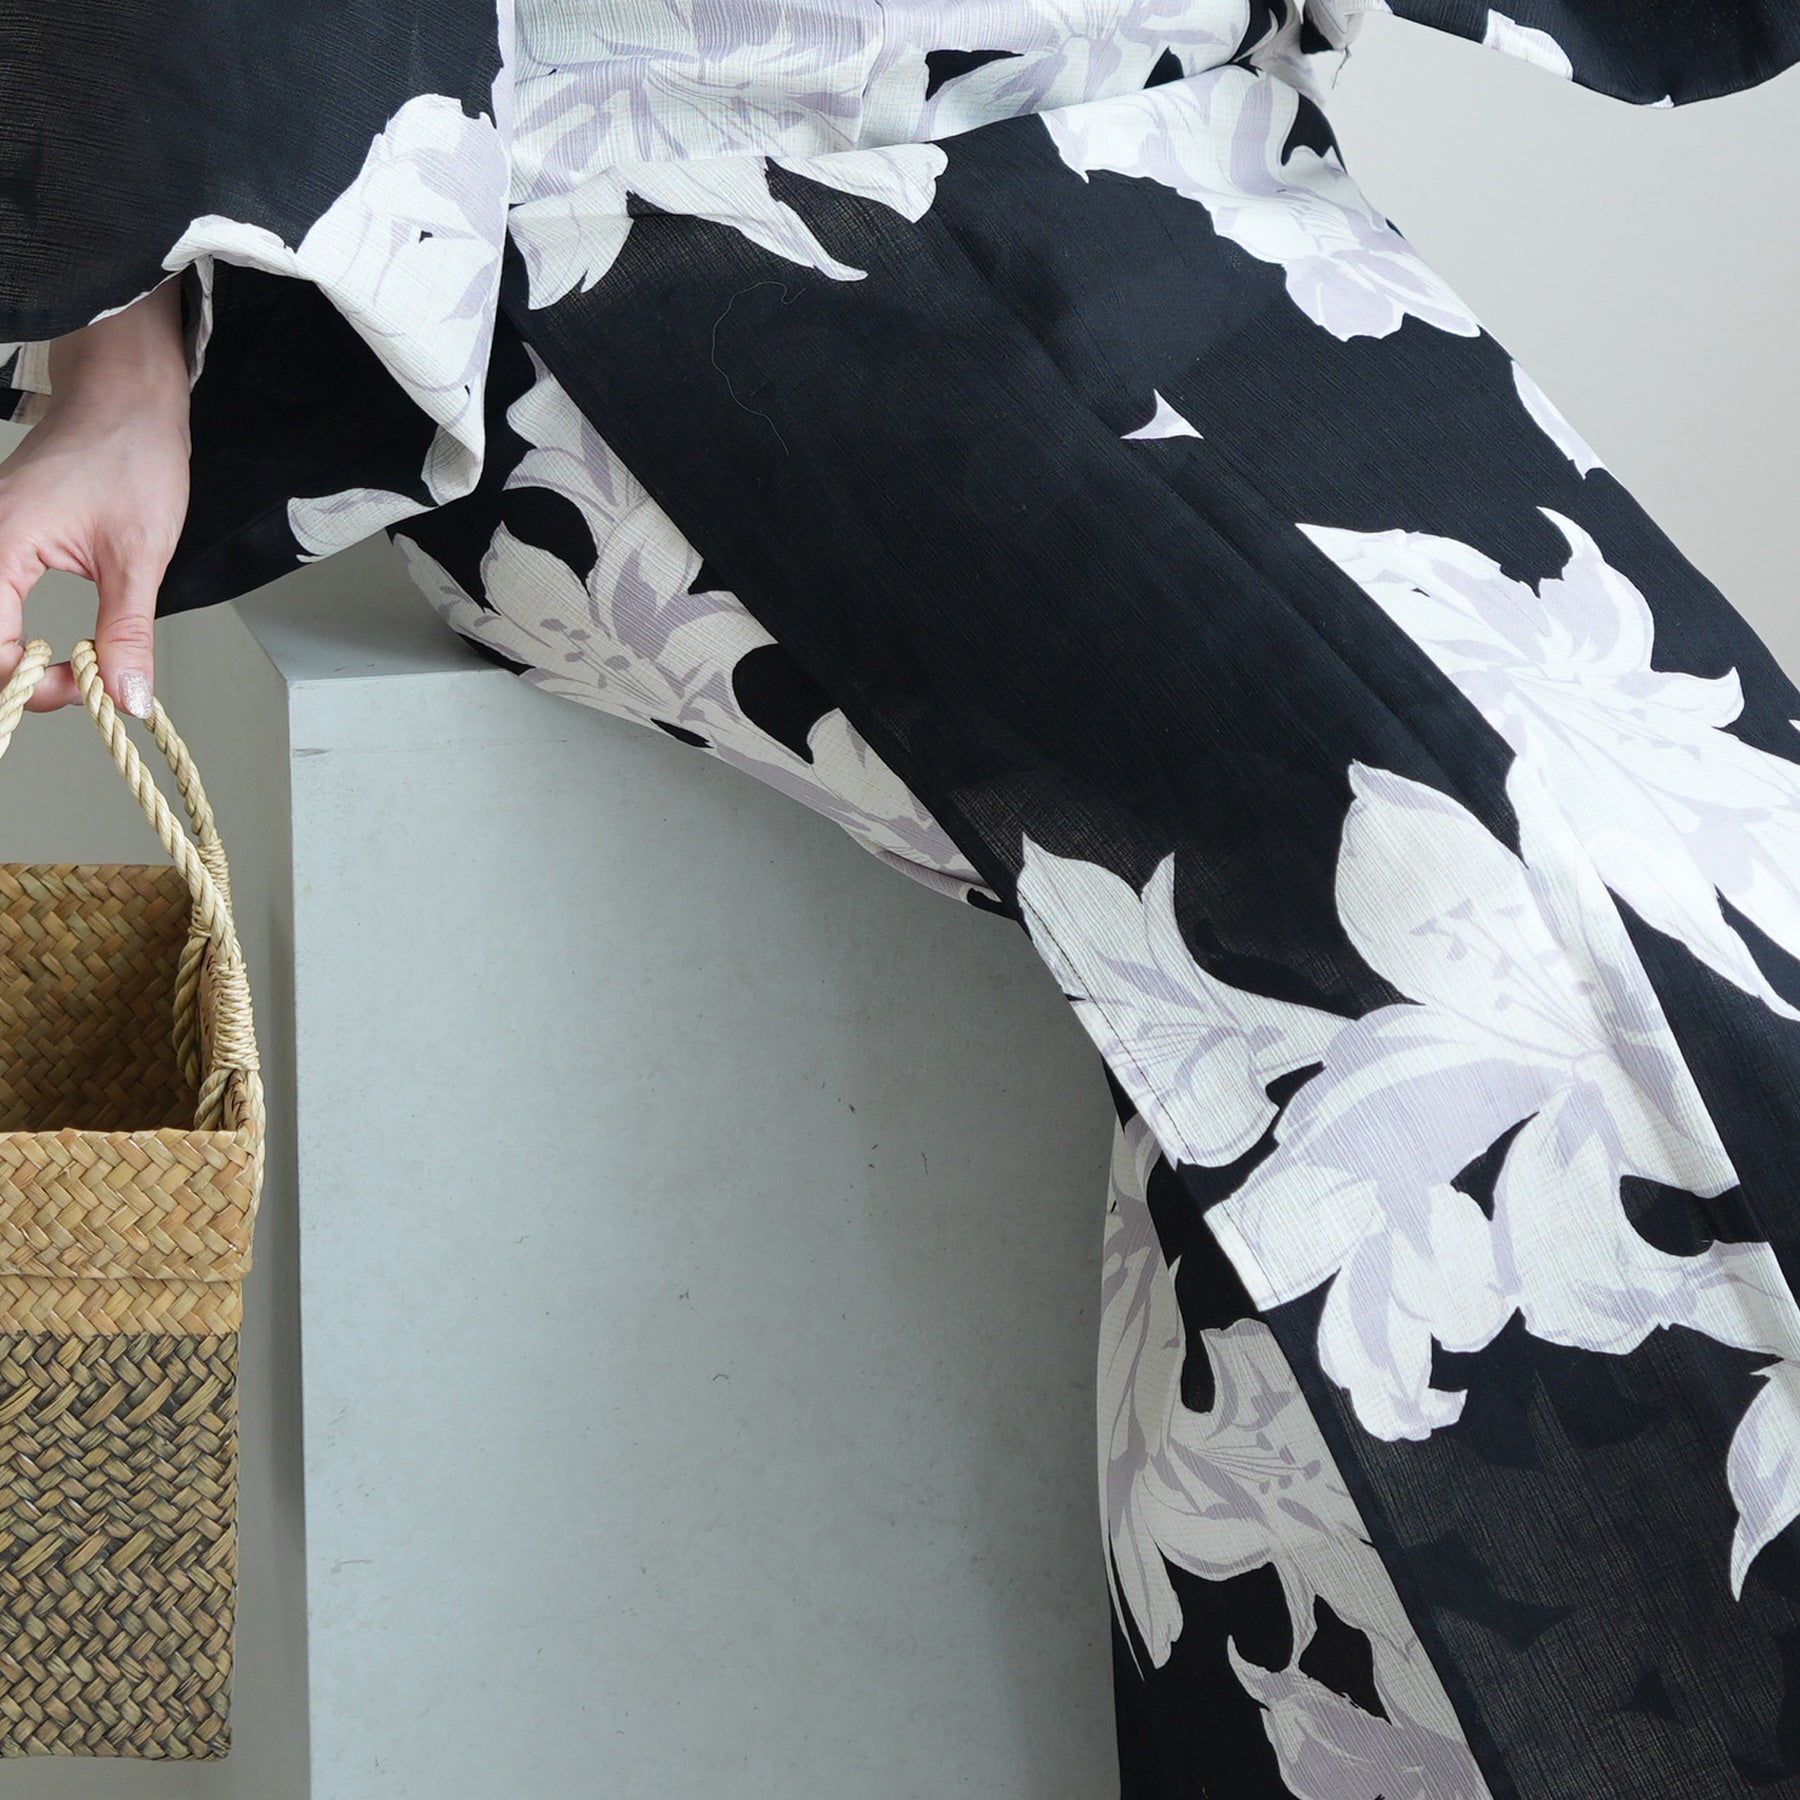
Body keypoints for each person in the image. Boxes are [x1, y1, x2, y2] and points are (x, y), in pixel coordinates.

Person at [4, 2, 1800, 1792]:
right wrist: (121, 365)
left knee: (1733, 871)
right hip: (646, 219)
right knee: (1424, 956)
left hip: (1183, 152)